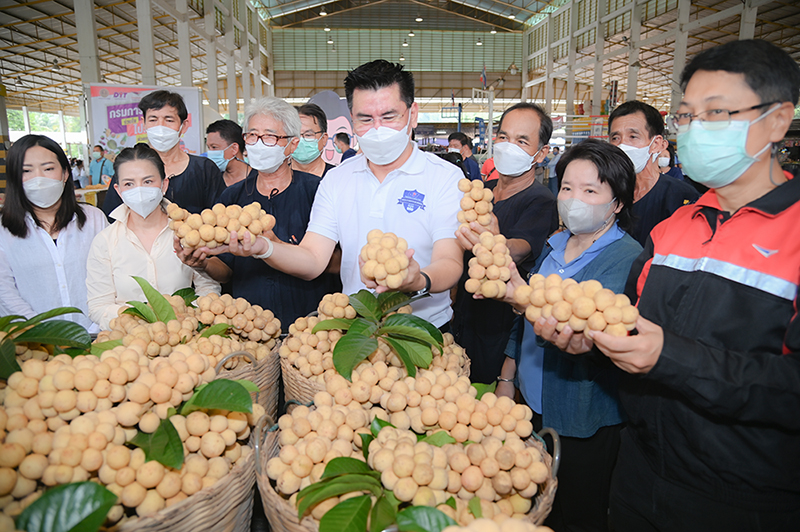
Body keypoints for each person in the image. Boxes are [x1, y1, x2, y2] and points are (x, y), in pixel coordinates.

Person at [540, 40, 800, 531]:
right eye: (687, 116)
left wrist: (670, 357)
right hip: (640, 474)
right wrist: (589, 343)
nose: (695, 129)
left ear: (777, 121)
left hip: (746, 496)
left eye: (717, 113)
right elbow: (636, 332)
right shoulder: (674, 228)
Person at [199, 60, 463, 329]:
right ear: (351, 120)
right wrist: (264, 248)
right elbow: (313, 259)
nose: (377, 129)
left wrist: (418, 281)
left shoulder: (444, 177)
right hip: (355, 328)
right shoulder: (337, 179)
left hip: (424, 327)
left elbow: (450, 261)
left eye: (389, 116)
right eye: (365, 119)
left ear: (412, 114)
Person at [501, 139, 641, 532]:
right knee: (536, 504)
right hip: (531, 403)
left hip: (582, 414)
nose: (573, 199)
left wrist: (521, 299)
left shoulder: (625, 258)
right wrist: (506, 379)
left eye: (590, 190)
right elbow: (522, 324)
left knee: (578, 512)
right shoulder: (554, 245)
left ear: (617, 203)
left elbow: (588, 334)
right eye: (566, 188)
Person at [174, 98, 332, 325]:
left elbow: (335, 261)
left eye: (269, 136)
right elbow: (226, 270)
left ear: (292, 144)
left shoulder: (317, 191)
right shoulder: (232, 197)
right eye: (252, 135)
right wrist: (203, 264)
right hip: (250, 325)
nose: (259, 144)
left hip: (310, 324)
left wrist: (275, 245)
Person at [451, 103, 558, 383]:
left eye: (522, 140)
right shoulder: (481, 192)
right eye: (504, 137)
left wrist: (495, 240)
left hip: (500, 326)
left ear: (542, 153)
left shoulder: (541, 200)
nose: (509, 146)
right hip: (464, 312)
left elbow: (521, 249)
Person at [87, 144, 220, 330]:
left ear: (164, 184)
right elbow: (98, 306)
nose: (138, 190)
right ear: (118, 190)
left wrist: (186, 319)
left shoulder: (189, 232)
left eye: (148, 181)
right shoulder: (105, 240)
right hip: (128, 346)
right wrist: (140, 323)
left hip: (186, 338)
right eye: (129, 184)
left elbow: (209, 289)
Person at [0, 135, 107, 332]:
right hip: (33, 343)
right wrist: (45, 334)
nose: (38, 179)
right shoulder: (3, 231)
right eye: (26, 171)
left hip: (98, 335)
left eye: (48, 169)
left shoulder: (94, 219)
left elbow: (112, 274)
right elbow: (4, 291)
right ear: (15, 177)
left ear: (65, 173)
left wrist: (96, 328)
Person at [102, 90, 226, 217]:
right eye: (153, 119)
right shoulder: (128, 169)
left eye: (169, 120)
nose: (160, 127)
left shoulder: (204, 170)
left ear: (183, 126)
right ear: (144, 123)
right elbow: (112, 217)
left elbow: (220, 216)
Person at [608, 100, 699, 246]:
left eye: (633, 137)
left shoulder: (680, 197)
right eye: (615, 138)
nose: (622, 145)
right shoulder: (605, 193)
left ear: (656, 144)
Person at [293, 103, 335, 178]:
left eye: (308, 135)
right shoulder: (277, 179)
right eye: (296, 135)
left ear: (324, 139)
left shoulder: (338, 177)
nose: (301, 140)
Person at [206, 119, 250, 187]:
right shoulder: (212, 181)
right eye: (208, 148)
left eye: (214, 147)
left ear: (234, 148)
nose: (210, 153)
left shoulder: (259, 179)